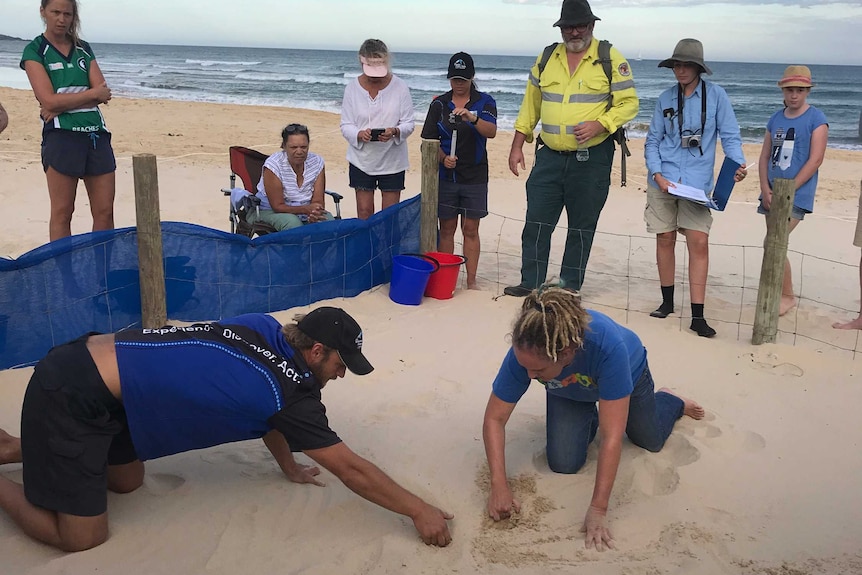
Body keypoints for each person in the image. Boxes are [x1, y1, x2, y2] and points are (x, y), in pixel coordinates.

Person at [0, 307, 453, 552]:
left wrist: (288, 464)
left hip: (109, 381)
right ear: (315, 351)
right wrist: (417, 509)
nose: (342, 374)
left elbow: (271, 416)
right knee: (81, 539)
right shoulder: (291, 397)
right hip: (74, 389)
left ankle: (20, 446)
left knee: (127, 483)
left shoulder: (264, 327)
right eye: (341, 363)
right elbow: (351, 470)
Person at [482, 285, 704, 551]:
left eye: (536, 370)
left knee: (650, 440)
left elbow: (612, 437)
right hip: (567, 385)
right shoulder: (528, 348)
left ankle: (670, 399)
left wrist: (598, 509)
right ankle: (587, 413)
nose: (528, 376)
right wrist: (499, 485)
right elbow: (495, 418)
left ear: (565, 352)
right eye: (525, 367)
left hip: (627, 377)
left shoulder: (609, 347)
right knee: (563, 462)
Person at [504, 0, 638, 297]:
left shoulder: (610, 57)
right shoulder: (547, 57)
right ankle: (531, 282)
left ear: (592, 25)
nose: (574, 31)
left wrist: (601, 124)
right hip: (549, 156)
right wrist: (517, 146)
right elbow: (530, 106)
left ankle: (568, 286)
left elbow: (629, 103)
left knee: (581, 226)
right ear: (561, 28)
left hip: (592, 159)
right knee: (536, 221)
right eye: (568, 26)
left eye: (580, 25)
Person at [644, 39, 747, 338]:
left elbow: (730, 136)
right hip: (664, 179)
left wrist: (737, 166)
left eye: (686, 64)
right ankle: (666, 303)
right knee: (664, 237)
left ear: (698, 68)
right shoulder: (665, 98)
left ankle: (698, 316)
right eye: (677, 64)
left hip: (696, 184)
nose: (681, 70)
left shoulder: (716, 97)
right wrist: (658, 174)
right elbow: (652, 141)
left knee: (699, 241)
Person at [20, 0, 116, 242]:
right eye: (55, 12)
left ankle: (102, 274)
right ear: (43, 12)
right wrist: (88, 96)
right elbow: (48, 101)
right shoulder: (34, 50)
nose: (62, 19)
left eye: (67, 14)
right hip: (62, 137)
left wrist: (62, 101)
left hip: (96, 134)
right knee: (63, 213)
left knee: (104, 211)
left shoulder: (83, 48)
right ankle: (62, 277)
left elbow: (103, 93)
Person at [420, 52, 498, 289]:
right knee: (447, 228)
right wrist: (443, 159)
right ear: (449, 79)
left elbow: (491, 131)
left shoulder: (485, 102)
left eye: (463, 79)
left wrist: (472, 119)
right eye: (455, 79)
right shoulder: (438, 104)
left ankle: (471, 281)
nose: (459, 84)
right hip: (447, 177)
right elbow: (427, 142)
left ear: (472, 77)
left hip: (475, 176)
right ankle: (446, 277)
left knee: (471, 229)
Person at [757, 65, 828, 316]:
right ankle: (779, 290)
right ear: (783, 91)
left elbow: (815, 159)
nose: (794, 95)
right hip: (772, 191)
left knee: (774, 241)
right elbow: (765, 156)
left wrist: (790, 189)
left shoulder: (816, 119)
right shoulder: (775, 118)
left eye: (799, 90)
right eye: (790, 90)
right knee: (774, 242)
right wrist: (765, 188)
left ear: (807, 91)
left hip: (797, 193)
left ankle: (786, 295)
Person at [340, 39, 415, 220]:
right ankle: (368, 248)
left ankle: (387, 249)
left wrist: (394, 131)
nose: (375, 76)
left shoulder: (400, 87)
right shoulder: (352, 88)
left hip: (393, 161)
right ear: (361, 61)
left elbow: (409, 123)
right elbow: (346, 124)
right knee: (364, 213)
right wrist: (359, 134)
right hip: (361, 160)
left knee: (389, 216)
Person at [247, 123, 334, 231]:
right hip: (269, 210)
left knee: (329, 223)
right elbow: (278, 206)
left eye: (304, 147)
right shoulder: (273, 165)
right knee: (293, 224)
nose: (299, 152)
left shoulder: (317, 162)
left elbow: (318, 200)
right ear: (283, 146)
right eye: (293, 147)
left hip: (305, 210)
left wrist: (314, 213)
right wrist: (306, 210)